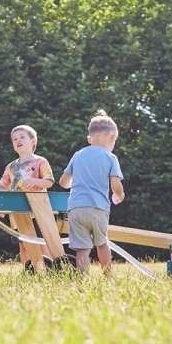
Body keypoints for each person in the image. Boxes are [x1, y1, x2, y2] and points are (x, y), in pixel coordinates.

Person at [59, 109, 125, 275]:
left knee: (82, 248)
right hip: (98, 208)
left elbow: (63, 182)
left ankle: (82, 278)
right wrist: (120, 195)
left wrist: (77, 182)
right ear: (113, 138)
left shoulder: (78, 155)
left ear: (90, 139)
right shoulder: (110, 158)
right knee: (102, 243)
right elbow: (115, 184)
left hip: (76, 208)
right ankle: (108, 276)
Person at [0, 125, 54, 267]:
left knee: (41, 242)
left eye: (22, 137)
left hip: (37, 211)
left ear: (33, 141)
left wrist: (35, 181)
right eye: (15, 139)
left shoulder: (41, 161)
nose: (18, 140)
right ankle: (28, 272)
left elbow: (49, 182)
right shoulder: (10, 167)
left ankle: (48, 270)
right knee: (23, 245)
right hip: (17, 213)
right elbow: (2, 187)